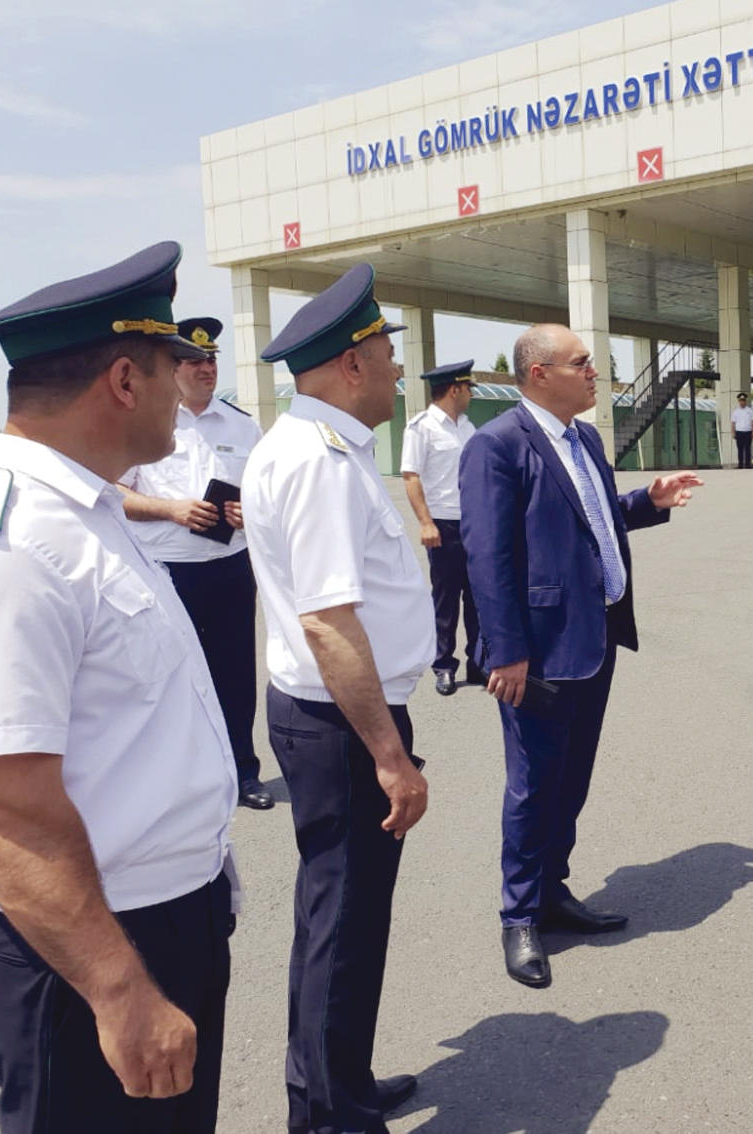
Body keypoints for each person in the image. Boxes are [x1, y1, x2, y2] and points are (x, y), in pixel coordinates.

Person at [0, 242, 238, 1132]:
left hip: (162, 917)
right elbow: (3, 808)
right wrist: (121, 992)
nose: (187, 385)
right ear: (126, 378)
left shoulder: (89, 508)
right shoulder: (16, 541)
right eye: (175, 366)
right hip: (88, 955)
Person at [241, 263, 431, 1134]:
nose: (398, 369)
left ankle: (337, 1082)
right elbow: (328, 625)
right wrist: (390, 754)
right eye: (389, 353)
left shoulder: (319, 449)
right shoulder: (318, 463)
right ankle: (326, 1116)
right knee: (341, 922)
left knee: (343, 916)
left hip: (335, 714)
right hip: (344, 723)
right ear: (352, 362)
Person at [460, 324, 702, 988]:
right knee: (532, 785)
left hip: (592, 637)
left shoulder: (584, 438)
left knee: (571, 779)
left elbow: (591, 518)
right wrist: (504, 651)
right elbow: (487, 557)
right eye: (582, 364)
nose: (595, 373)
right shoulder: (496, 444)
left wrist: (645, 503)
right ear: (539, 375)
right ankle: (519, 916)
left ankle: (552, 893)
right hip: (535, 652)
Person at [118, 316, 272, 810]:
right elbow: (114, 492)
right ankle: (181, 780)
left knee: (235, 674)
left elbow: (267, 492)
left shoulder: (243, 425)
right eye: (194, 360)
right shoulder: (149, 422)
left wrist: (252, 512)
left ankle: (243, 772)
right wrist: (171, 508)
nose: (207, 368)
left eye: (212, 359)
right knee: (172, 675)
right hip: (169, 568)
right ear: (173, 368)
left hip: (230, 566)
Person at [401, 360, 479, 696]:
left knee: (478, 598)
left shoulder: (467, 427)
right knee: (446, 600)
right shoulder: (421, 427)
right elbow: (411, 476)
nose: (471, 394)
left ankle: (479, 662)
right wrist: (425, 522)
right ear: (455, 389)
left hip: (475, 523)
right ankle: (444, 666)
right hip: (443, 525)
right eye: (468, 388)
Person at [730, 392, 753, 469]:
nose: (742, 402)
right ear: (739, 401)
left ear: (745, 401)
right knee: (740, 449)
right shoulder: (736, 411)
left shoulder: (750, 410)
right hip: (739, 432)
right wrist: (733, 432)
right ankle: (740, 464)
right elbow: (733, 423)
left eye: (743, 400)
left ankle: (748, 464)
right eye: (741, 400)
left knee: (748, 449)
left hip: (748, 432)